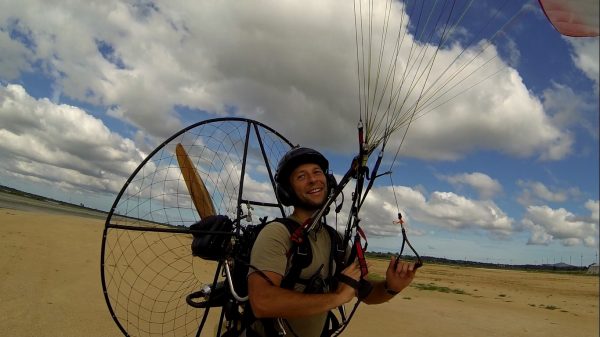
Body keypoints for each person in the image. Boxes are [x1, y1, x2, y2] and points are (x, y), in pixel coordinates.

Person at [245, 146, 418, 337]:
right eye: (301, 176)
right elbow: (262, 302)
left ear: (328, 181)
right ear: (287, 191)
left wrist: (390, 287)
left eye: (317, 172)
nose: (313, 179)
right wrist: (336, 297)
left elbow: (366, 293)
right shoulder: (276, 233)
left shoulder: (336, 240)